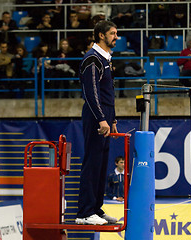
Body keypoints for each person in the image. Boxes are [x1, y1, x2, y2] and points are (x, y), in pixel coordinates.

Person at [75, 20, 119, 225]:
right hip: (96, 115)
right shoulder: (92, 59)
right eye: (112, 33)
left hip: (106, 116)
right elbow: (91, 94)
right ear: (101, 35)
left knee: (101, 164)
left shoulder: (106, 59)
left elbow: (108, 92)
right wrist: (102, 118)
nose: (116, 37)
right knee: (92, 163)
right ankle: (84, 213)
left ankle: (96, 209)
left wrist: (113, 119)